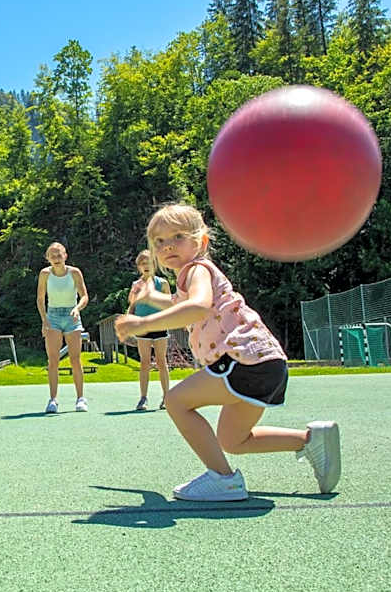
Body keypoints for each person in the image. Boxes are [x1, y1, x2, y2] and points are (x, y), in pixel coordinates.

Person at [115, 204, 340, 501]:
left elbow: (197, 307)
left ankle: (224, 480)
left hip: (242, 361)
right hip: (263, 364)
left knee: (176, 401)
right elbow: (184, 305)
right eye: (159, 241)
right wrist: (154, 298)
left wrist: (143, 322)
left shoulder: (196, 269)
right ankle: (311, 440)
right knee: (234, 440)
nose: (168, 245)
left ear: (202, 242)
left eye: (178, 236)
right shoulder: (192, 277)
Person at [36, 242, 89, 413]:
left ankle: (81, 398)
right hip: (53, 317)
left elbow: (84, 296)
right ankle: (53, 400)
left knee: (75, 359)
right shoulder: (45, 274)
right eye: (52, 256)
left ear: (65, 256)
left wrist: (77, 308)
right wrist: (44, 320)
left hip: (72, 316)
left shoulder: (74, 273)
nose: (56, 259)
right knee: (53, 360)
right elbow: (40, 298)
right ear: (48, 258)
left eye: (59, 255)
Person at [126, 249, 171, 411]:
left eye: (149, 263)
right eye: (143, 264)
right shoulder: (135, 285)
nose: (146, 266)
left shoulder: (163, 283)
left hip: (160, 326)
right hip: (142, 328)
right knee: (144, 362)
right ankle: (143, 398)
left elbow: (170, 304)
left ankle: (167, 397)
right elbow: (132, 306)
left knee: (161, 361)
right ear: (139, 267)